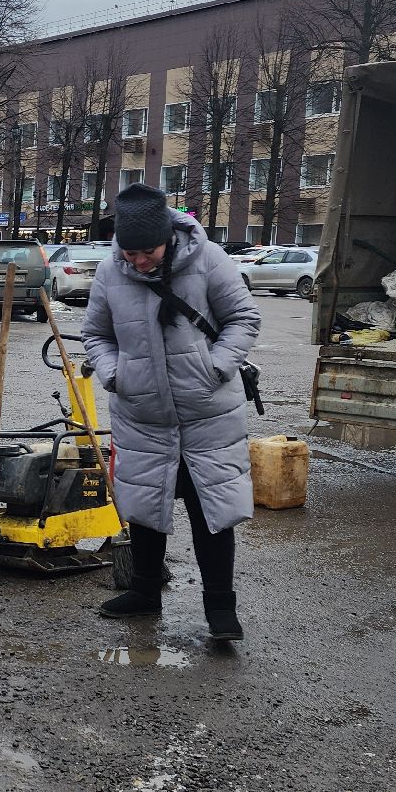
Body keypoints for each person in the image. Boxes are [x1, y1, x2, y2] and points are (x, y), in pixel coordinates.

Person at [81, 184, 261, 641]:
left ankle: (221, 609)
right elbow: (96, 334)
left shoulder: (209, 259)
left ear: (168, 237)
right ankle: (145, 593)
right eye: (129, 252)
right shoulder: (110, 272)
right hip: (142, 412)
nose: (138, 261)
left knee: (211, 511)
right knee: (144, 507)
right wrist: (115, 374)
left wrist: (216, 367)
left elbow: (244, 319)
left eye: (148, 251)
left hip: (208, 414)